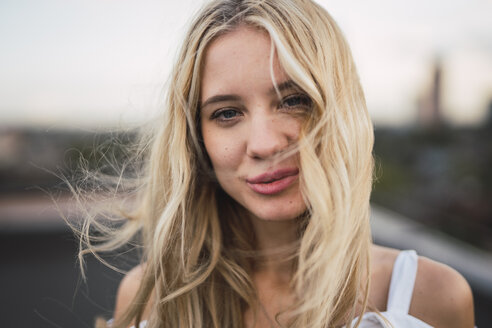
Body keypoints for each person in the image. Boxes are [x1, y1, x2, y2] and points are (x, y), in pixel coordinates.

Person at [80, 0, 475, 327]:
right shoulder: (149, 299)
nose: (266, 144)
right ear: (197, 138)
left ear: (341, 110)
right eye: (227, 113)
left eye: (293, 100)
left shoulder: (431, 298)